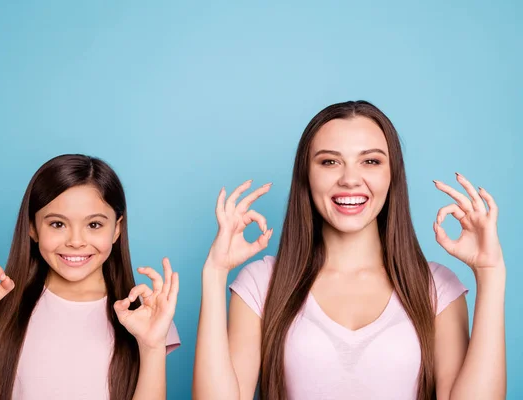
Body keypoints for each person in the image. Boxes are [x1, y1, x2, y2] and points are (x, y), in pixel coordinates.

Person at [193, 101, 506, 399]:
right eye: (330, 161)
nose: (350, 179)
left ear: (392, 174)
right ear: (307, 175)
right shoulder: (261, 283)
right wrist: (215, 272)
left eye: (370, 161)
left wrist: (491, 274)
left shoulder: (438, 288)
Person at [0, 154, 181, 400]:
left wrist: (151, 348)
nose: (76, 241)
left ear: (116, 229)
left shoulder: (145, 315)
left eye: (94, 225)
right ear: (32, 227)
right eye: (57, 224)